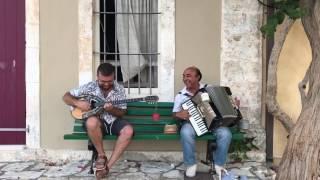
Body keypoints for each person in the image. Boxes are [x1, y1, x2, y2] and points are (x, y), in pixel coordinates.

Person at [63, 63, 133, 179]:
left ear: (114, 77)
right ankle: (101, 155)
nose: (106, 84)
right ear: (97, 77)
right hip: (97, 122)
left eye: (109, 81)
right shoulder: (89, 87)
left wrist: (112, 109)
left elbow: (122, 112)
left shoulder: (119, 89)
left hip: (114, 121)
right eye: (102, 81)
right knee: (91, 122)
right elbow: (66, 97)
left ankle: (107, 168)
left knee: (128, 131)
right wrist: (78, 103)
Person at [172, 66, 234, 179]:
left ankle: (219, 165)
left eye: (188, 75)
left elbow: (224, 102)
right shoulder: (181, 95)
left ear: (198, 77)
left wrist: (232, 106)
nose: (185, 78)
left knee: (226, 134)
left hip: (214, 124)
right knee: (185, 132)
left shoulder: (209, 89)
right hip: (192, 124)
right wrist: (178, 114)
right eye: (184, 76)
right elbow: (174, 113)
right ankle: (190, 164)